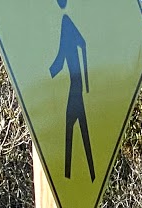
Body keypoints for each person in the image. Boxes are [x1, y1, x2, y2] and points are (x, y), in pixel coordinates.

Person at [50, 0, 95, 181]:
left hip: (75, 86)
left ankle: (70, 176)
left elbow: (77, 47)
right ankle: (87, 175)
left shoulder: (66, 23)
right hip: (75, 85)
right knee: (80, 131)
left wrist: (86, 80)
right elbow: (70, 52)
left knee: (72, 130)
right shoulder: (66, 22)